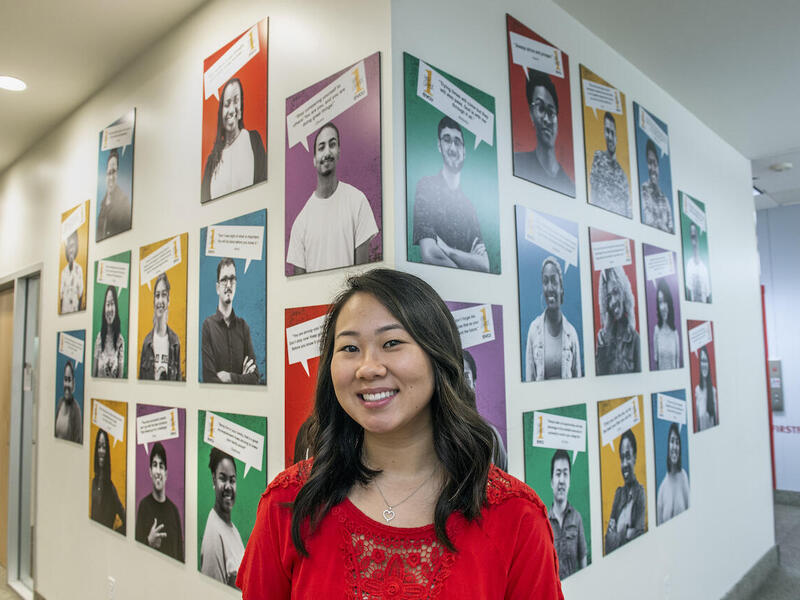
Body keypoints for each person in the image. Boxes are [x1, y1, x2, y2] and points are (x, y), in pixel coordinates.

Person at [237, 269, 563, 598]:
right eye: (349, 348)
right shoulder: (288, 503)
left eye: (391, 343)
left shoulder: (516, 517)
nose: (368, 368)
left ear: (438, 357)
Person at [286, 123, 379, 274]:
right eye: (321, 147)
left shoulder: (357, 201)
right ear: (314, 159)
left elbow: (362, 275)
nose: (327, 152)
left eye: (332, 144)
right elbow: (298, 286)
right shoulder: (300, 222)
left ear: (339, 152)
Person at [412, 117, 491, 273]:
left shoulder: (469, 206)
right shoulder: (426, 187)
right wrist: (468, 264)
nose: (453, 148)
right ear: (439, 146)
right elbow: (430, 254)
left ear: (464, 151)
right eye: (447, 140)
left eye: (458, 142)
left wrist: (447, 250)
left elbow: (484, 265)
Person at [201, 77, 267, 203]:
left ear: (241, 108)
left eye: (236, 101)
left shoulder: (253, 140)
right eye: (226, 104)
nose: (231, 110)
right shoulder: (211, 162)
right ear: (221, 111)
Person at [513, 70, 574, 196]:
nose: (546, 119)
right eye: (540, 108)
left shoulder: (570, 188)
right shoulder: (517, 163)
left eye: (551, 112)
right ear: (531, 114)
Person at [202, 258, 260, 383]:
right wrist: (242, 377)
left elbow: (255, 378)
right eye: (224, 280)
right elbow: (209, 379)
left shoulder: (243, 327)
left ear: (236, 284)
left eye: (232, 279)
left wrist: (229, 377)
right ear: (217, 288)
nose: (228, 285)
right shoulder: (208, 326)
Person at [525, 256, 582, 381]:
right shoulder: (534, 330)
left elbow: (579, 382)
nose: (550, 288)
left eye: (554, 281)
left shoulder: (571, 334)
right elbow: (529, 379)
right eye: (545, 282)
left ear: (561, 288)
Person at [200, 447, 245, 587]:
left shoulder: (232, 529)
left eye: (232, 480)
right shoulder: (214, 535)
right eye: (222, 479)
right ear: (214, 479)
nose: (228, 486)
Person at [135, 442, 184, 561]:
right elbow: (135, 554)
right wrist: (149, 542)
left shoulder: (174, 511)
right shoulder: (144, 507)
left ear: (166, 474)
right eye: (155, 465)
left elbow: (180, 557)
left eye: (161, 466)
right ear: (150, 472)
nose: (158, 471)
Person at [462, 349, 508, 471]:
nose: (460, 384)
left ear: (475, 382)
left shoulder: (490, 436)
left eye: (465, 376)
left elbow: (506, 485)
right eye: (454, 377)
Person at [604, 429, 645, 553]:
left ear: (635, 457)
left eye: (628, 456)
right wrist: (625, 532)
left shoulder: (641, 494)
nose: (625, 463)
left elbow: (637, 537)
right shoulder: (619, 494)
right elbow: (607, 543)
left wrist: (616, 534)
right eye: (622, 458)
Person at [549, 449, 587, 579]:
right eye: (558, 474)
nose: (561, 480)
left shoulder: (577, 519)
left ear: (570, 480)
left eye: (565, 474)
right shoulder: (544, 523)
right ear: (551, 481)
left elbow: (584, 565)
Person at [596, 266, 641, 375]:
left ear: (624, 292)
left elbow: (641, 382)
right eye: (609, 297)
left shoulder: (634, 339)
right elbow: (599, 382)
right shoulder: (603, 339)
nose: (612, 302)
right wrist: (602, 349)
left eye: (615, 292)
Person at [139, 273, 181, 380]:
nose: (160, 300)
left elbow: (179, 382)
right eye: (157, 295)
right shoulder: (147, 343)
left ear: (168, 300)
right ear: (154, 301)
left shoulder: (175, 342)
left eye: (164, 295)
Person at [589, 112, 631, 218]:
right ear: (604, 133)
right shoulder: (598, 158)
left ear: (616, 137)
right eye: (607, 131)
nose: (610, 137)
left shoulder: (622, 175)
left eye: (613, 133)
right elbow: (593, 195)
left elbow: (628, 211)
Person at [90, 428, 126, 534]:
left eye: (104, 447)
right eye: (99, 446)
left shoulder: (110, 488)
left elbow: (126, 521)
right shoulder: (94, 483)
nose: (101, 451)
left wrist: (115, 534)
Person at [656, 423, 690, 524]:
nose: (674, 447)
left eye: (677, 442)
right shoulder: (662, 489)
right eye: (672, 441)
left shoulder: (684, 478)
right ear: (668, 445)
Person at [97, 148, 131, 240]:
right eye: (109, 173)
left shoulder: (124, 203)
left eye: (114, 172)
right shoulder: (102, 208)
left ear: (118, 174)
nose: (111, 177)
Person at [640, 139, 673, 232]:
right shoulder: (643, 189)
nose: (652, 168)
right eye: (649, 163)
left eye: (655, 163)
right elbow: (649, 221)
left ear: (658, 167)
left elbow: (671, 230)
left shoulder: (665, 200)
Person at [93, 286, 125, 378]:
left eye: (112, 304)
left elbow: (120, 378)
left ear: (116, 308)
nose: (110, 309)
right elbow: (93, 375)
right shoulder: (99, 338)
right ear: (104, 308)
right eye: (107, 304)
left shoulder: (120, 341)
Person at [652, 279, 680, 370]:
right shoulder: (656, 331)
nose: (662, 307)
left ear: (669, 303)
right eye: (660, 302)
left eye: (665, 301)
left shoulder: (675, 333)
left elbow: (678, 364)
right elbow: (656, 363)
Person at [54, 359, 83, 443]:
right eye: (65, 379)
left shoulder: (76, 410)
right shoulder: (60, 403)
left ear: (73, 383)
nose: (67, 384)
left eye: (69, 380)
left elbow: (78, 441)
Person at [685, 223, 711, 302]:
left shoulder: (705, 267)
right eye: (692, 237)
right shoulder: (689, 265)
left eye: (695, 236)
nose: (694, 241)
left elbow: (708, 296)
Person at [694, 346, 718, 430]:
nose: (704, 364)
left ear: (708, 364)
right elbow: (697, 427)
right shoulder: (697, 391)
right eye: (701, 361)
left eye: (705, 361)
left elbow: (716, 422)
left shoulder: (713, 391)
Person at [59, 230, 84, 313]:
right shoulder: (63, 272)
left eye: (73, 246)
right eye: (69, 246)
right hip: (64, 309)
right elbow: (61, 296)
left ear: (76, 247)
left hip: (75, 308)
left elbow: (80, 293)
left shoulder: (79, 269)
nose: (71, 250)